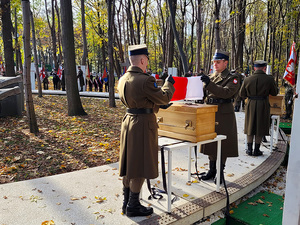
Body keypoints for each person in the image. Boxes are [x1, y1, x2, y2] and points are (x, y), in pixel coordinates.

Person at [118, 44, 175, 217]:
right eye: (147, 60)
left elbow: (141, 99)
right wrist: (168, 84)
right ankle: (133, 205)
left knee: (129, 164)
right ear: (142, 60)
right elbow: (164, 96)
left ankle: (126, 202)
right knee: (140, 165)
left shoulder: (122, 79)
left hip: (128, 122)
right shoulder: (145, 80)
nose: (147, 63)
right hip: (142, 124)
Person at [200, 49, 241, 182]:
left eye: (218, 62)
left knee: (222, 143)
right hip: (210, 112)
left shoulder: (232, 78)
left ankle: (220, 172)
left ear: (225, 63)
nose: (215, 65)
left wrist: (208, 84)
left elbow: (226, 93)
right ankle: (211, 170)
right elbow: (205, 93)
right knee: (211, 142)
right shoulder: (211, 77)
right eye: (214, 62)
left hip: (224, 114)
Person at [239, 60, 278, 156]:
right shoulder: (269, 79)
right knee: (260, 126)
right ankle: (256, 149)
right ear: (264, 68)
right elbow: (274, 93)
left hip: (251, 103)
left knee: (250, 125)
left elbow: (241, 94)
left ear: (254, 68)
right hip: (263, 104)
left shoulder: (247, 79)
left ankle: (249, 149)